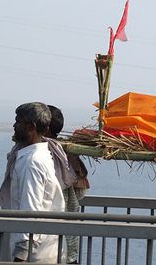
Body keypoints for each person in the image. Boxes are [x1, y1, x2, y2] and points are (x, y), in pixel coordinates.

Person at [3, 102, 65, 263]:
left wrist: (21, 255)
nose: (14, 126)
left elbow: (30, 209)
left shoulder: (31, 162)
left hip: (34, 254)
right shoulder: (43, 154)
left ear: (31, 127)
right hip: (46, 248)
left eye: (18, 122)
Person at [45, 105, 90, 264]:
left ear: (46, 127)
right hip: (65, 235)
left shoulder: (51, 153)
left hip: (51, 240)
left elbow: (78, 191)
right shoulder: (64, 153)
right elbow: (80, 193)